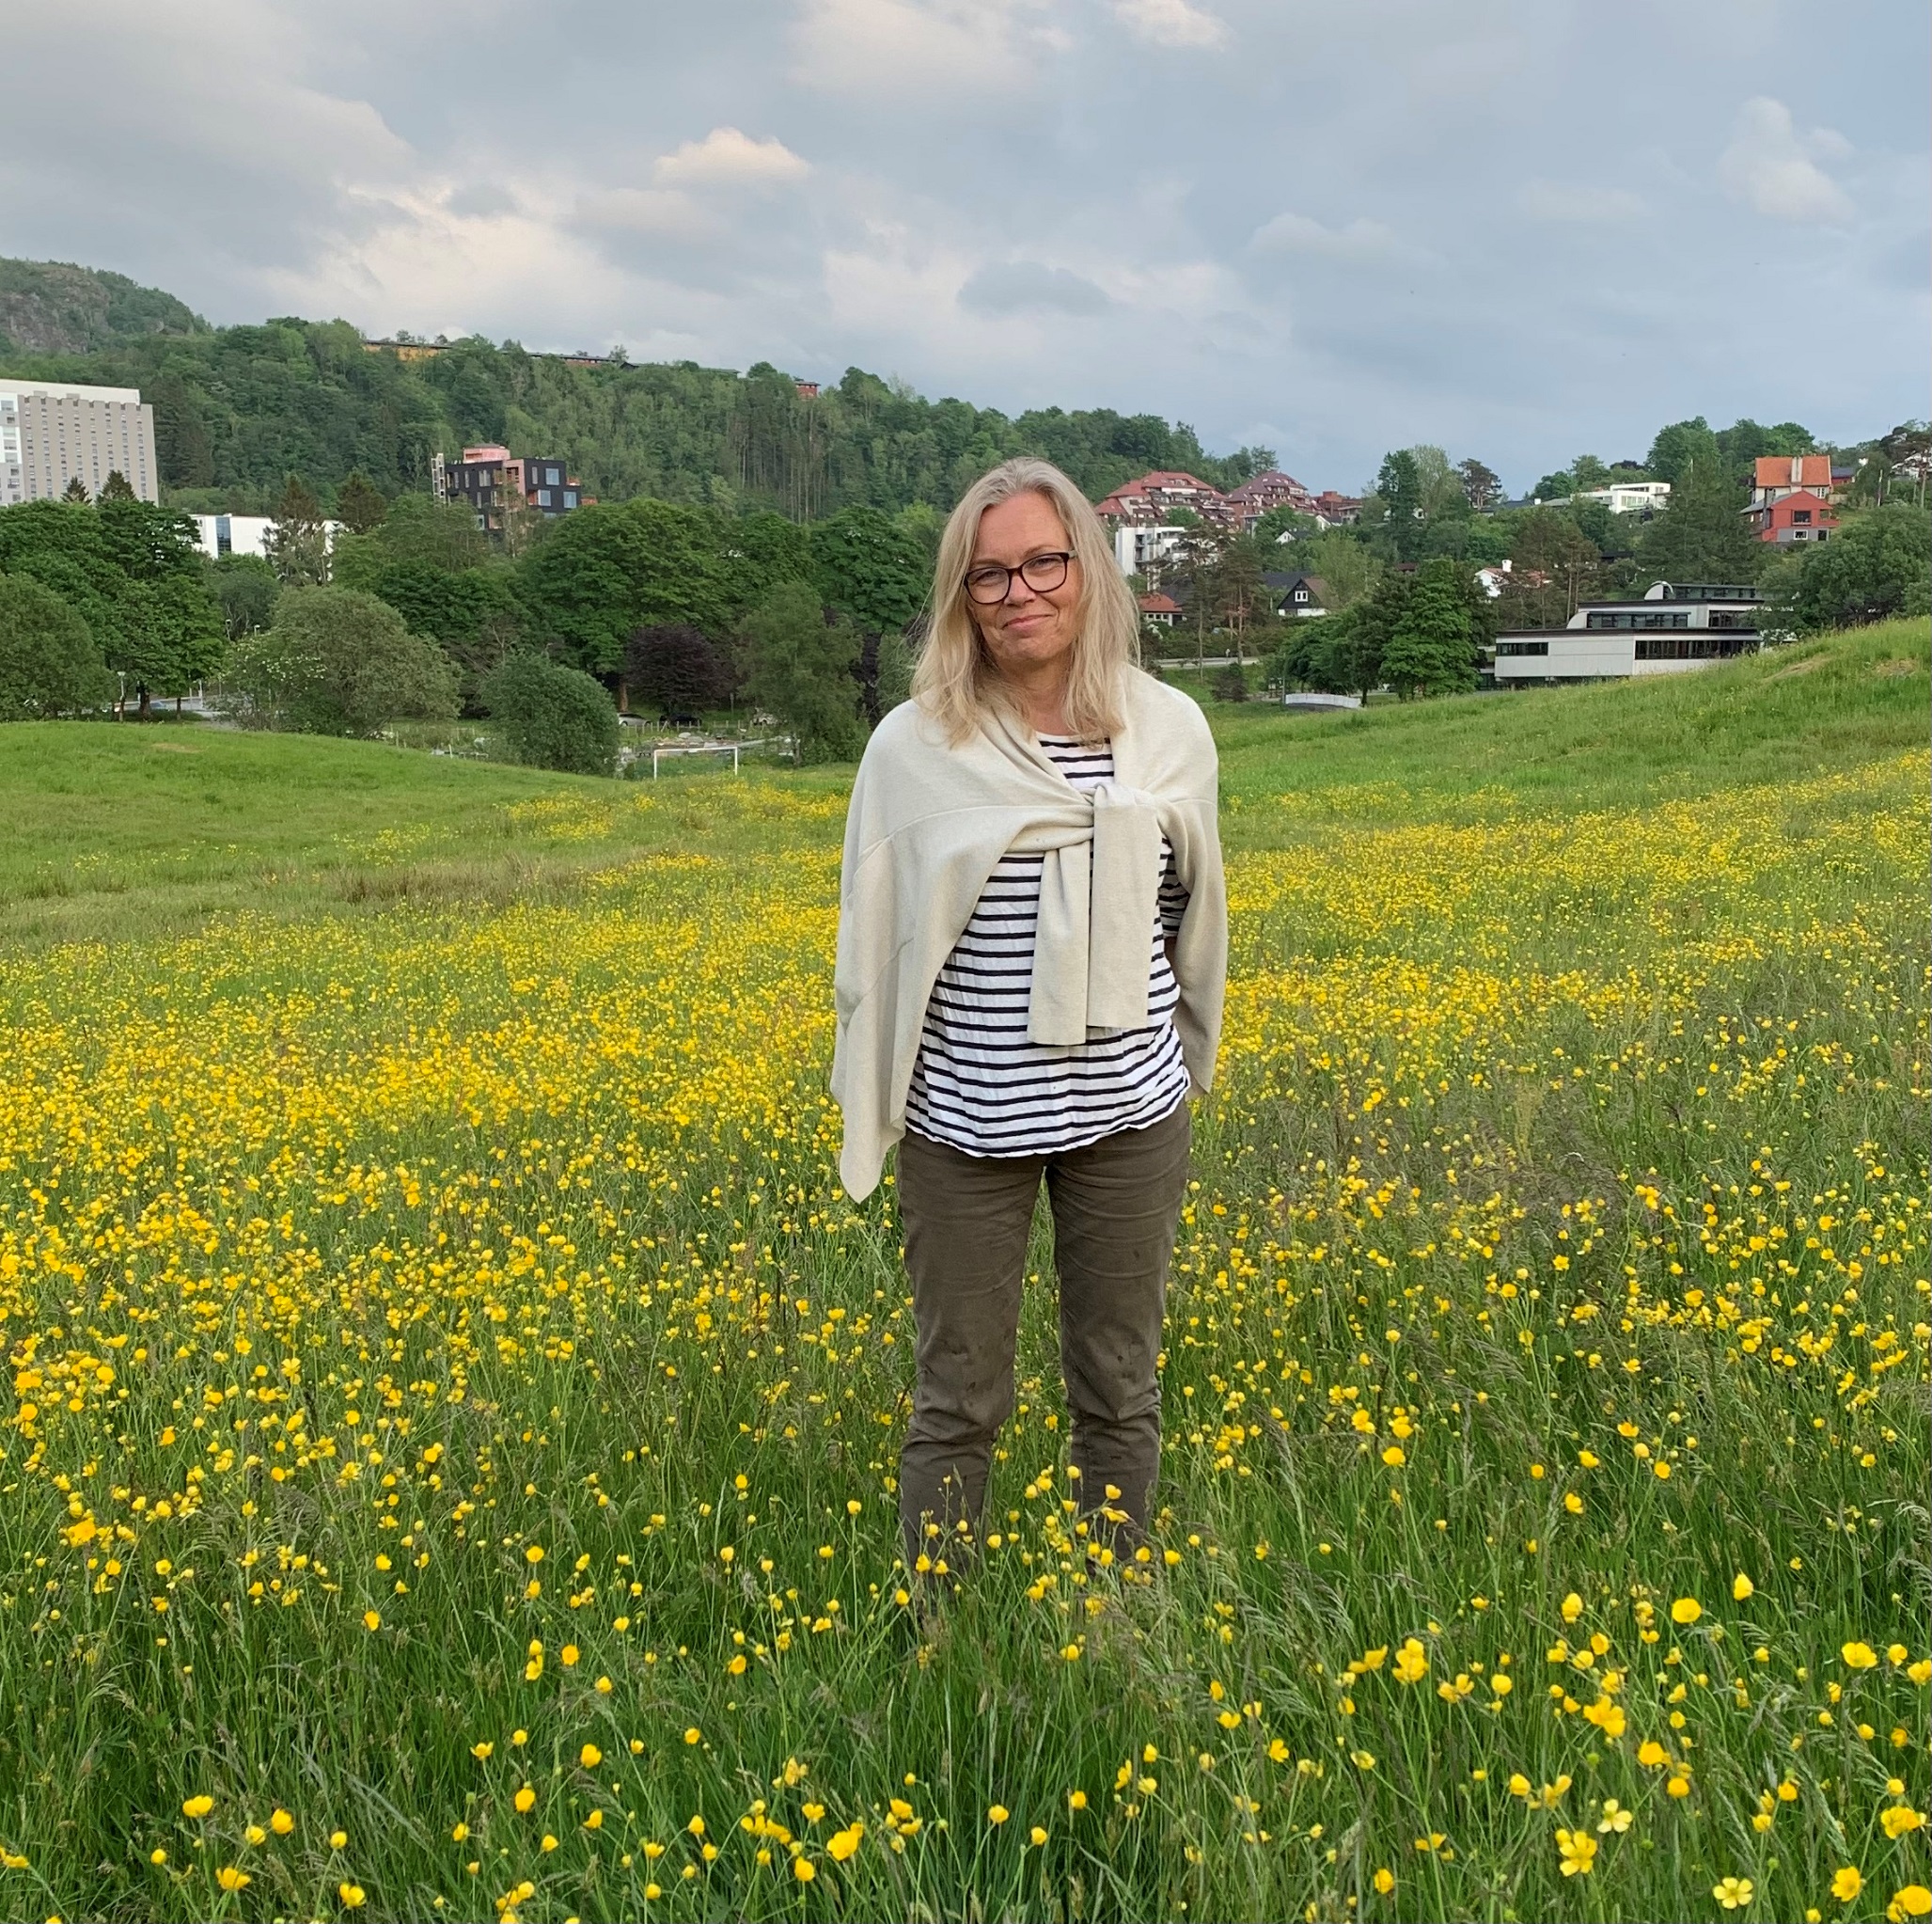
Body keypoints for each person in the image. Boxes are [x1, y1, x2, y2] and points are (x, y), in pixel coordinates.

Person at [831, 455, 1228, 1574]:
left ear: (1088, 571)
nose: (1020, 593)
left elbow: (1185, 903)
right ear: (962, 597)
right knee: (957, 1396)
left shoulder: (1169, 732)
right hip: (968, 1125)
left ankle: (1116, 1613)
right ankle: (937, 1635)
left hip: (1129, 1116)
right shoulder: (916, 746)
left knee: (1121, 1384)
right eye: (988, 574)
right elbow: (879, 928)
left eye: (1044, 562)